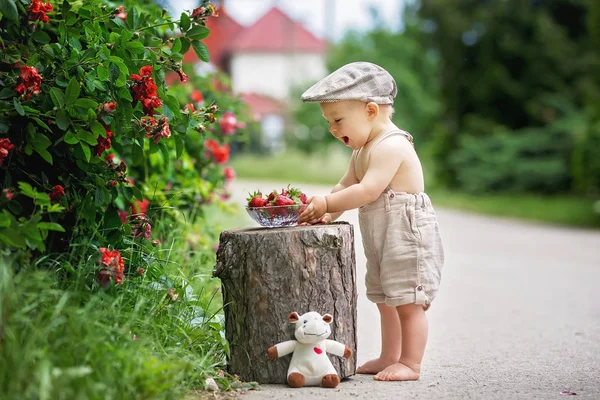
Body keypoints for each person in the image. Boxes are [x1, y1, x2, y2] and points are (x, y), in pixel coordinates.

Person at [297, 62, 444, 381]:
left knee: (407, 300)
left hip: (407, 237)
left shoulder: (392, 145)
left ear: (371, 110)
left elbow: (367, 190)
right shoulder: (361, 151)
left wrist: (327, 202)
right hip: (382, 238)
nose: (333, 130)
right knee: (384, 299)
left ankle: (411, 363)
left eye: (337, 120)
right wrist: (327, 211)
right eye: (329, 123)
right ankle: (390, 355)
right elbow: (345, 187)